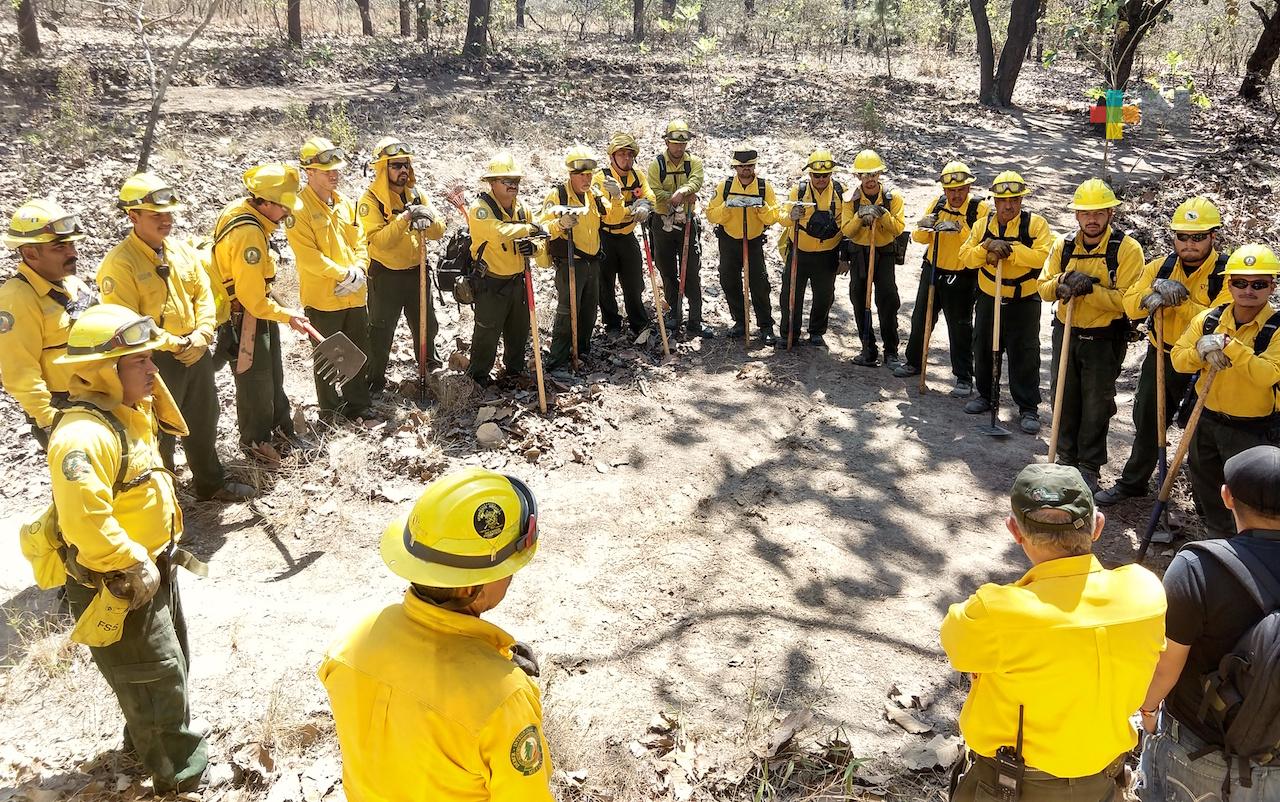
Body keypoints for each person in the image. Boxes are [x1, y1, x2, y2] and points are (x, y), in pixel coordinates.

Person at [319, 467, 554, 802]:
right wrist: (501, 679)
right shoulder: (504, 701)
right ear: (473, 586)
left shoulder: (349, 642)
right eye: (508, 570)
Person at [48, 303, 208, 794]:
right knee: (153, 676)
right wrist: (133, 562)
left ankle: (147, 744)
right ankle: (177, 777)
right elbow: (87, 521)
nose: (152, 369)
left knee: (168, 663)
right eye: (139, 362)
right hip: (122, 581)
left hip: (152, 568)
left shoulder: (126, 412)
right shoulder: (83, 436)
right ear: (102, 371)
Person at [941, 462, 1166, 802]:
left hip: (1012, 788)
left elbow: (957, 644)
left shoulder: (995, 611)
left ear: (1015, 532)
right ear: (1098, 527)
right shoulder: (1145, 590)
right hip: (1104, 785)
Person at [97, 173, 253, 502]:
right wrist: (176, 343)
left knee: (203, 418)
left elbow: (203, 296)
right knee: (158, 432)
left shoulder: (180, 251)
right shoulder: (119, 264)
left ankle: (210, 484)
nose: (166, 221)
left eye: (169, 214)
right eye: (156, 216)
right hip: (152, 359)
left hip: (195, 350)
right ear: (133, 216)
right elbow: (127, 322)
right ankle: (163, 501)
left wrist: (203, 334)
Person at [1138, 444, 1280, 801]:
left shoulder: (1197, 567)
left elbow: (1165, 668)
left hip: (1199, 753)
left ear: (1226, 496)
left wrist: (1148, 710)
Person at [1097, 197, 1231, 505]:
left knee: (1200, 431)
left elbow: (1222, 319)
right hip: (1163, 354)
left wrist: (1182, 303)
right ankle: (1134, 482)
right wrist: (1152, 291)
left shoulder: (1225, 273)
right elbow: (1129, 304)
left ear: (1213, 236)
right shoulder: (1161, 266)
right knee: (1148, 418)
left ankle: (1207, 502)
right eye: (1182, 236)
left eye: (1198, 237)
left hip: (1207, 361)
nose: (1189, 243)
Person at [1038, 179, 1145, 492]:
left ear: (1111, 213)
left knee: (1097, 402)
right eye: (1086, 213)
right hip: (1066, 331)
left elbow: (1129, 301)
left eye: (1099, 212)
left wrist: (1092, 289)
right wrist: (1063, 282)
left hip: (1104, 337)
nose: (1092, 219)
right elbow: (1043, 288)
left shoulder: (1126, 250)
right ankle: (1065, 459)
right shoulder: (1064, 245)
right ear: (1077, 216)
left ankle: (1089, 466)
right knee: (1064, 395)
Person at [1171, 243, 1280, 538]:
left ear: (1271, 286)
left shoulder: (1277, 329)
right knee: (1207, 489)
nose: (1248, 290)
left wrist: (1231, 347)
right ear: (1229, 284)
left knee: (1250, 500)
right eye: (1240, 283)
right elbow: (1178, 360)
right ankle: (1218, 542)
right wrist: (1200, 351)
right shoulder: (1209, 319)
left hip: (1253, 431)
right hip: (1205, 421)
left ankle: (1249, 551)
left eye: (1259, 284)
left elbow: (1268, 375)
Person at [211, 163, 313, 463]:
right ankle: (257, 446)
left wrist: (280, 308)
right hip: (246, 319)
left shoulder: (245, 210)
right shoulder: (249, 235)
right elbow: (252, 300)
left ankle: (282, 432)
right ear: (265, 202)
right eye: (283, 207)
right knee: (256, 383)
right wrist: (287, 315)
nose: (287, 213)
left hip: (258, 312)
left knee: (273, 376)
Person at [286, 136, 376, 423]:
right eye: (327, 171)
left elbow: (360, 240)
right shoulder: (297, 210)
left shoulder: (346, 204)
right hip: (324, 297)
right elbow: (308, 256)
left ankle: (358, 404)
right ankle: (330, 410)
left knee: (358, 351)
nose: (334, 174)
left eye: (337, 169)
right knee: (327, 355)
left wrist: (360, 269)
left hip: (355, 293)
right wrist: (343, 274)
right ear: (309, 172)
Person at [959, 170, 1055, 434]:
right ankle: (986, 396)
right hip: (990, 295)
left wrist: (1010, 251)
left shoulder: (1035, 225)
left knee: (1024, 353)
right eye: (1003, 200)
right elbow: (965, 257)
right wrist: (985, 249)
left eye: (1014, 199)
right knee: (984, 346)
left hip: (1024, 299)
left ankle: (1028, 407)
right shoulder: (982, 226)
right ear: (995, 201)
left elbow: (1043, 257)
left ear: (1022, 200)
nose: (1009, 205)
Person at [0, 199, 96, 449]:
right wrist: (51, 420)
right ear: (30, 253)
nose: (72, 252)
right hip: (65, 409)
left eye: (72, 244)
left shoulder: (73, 283)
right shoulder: (16, 299)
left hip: (99, 397)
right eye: (59, 247)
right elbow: (20, 372)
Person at [358, 136, 447, 394]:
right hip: (386, 277)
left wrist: (426, 219)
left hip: (416, 273)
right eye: (396, 165)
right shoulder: (370, 201)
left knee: (426, 325)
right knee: (380, 331)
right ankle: (373, 383)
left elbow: (439, 230)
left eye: (405, 165)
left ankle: (430, 373)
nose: (403, 171)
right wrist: (405, 218)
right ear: (382, 169)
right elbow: (378, 241)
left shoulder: (417, 194)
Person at [894, 162, 988, 398]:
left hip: (962, 275)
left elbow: (981, 243)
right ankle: (913, 362)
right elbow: (919, 237)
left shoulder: (979, 209)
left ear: (968, 188)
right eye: (951, 190)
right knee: (920, 318)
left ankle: (964, 376)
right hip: (933, 269)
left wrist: (959, 228)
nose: (956, 195)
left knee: (959, 327)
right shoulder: (938, 204)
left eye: (960, 189)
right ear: (945, 190)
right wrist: (926, 226)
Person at [539, 145, 625, 372]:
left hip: (593, 261)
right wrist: (559, 224)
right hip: (570, 261)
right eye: (582, 175)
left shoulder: (594, 195)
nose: (587, 179)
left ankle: (581, 350)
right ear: (571, 174)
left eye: (589, 174)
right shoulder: (557, 195)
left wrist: (617, 197)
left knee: (589, 309)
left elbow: (614, 217)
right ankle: (558, 358)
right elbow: (541, 228)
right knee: (568, 310)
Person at [466, 152, 544, 387]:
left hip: (518, 280)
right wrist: (528, 230)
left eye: (516, 181)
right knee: (487, 331)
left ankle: (514, 371)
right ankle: (478, 377)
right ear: (492, 183)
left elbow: (541, 239)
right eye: (507, 181)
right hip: (490, 282)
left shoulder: (523, 209)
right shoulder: (480, 208)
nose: (513, 186)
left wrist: (534, 247)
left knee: (519, 330)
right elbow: (497, 231)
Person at [705, 144, 781, 345]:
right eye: (741, 166)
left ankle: (765, 326)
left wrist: (760, 207)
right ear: (735, 167)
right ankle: (740, 322)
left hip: (754, 241)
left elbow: (774, 216)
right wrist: (727, 206)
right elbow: (711, 214)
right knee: (729, 281)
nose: (746, 169)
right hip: (729, 240)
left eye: (749, 166)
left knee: (759, 284)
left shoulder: (764, 187)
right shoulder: (725, 186)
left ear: (754, 166)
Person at [645, 119, 711, 339]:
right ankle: (674, 314)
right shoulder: (657, 165)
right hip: (662, 223)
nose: (679, 148)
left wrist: (682, 191)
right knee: (667, 270)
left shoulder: (694, 162)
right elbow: (652, 192)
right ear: (667, 142)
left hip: (688, 222)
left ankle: (695, 319)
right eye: (674, 143)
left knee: (691, 271)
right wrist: (673, 199)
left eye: (682, 144)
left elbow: (697, 180)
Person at [841, 149, 906, 367]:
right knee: (860, 301)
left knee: (887, 301)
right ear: (858, 176)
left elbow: (898, 228)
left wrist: (882, 214)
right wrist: (860, 216)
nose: (870, 179)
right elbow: (847, 231)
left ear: (880, 174)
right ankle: (867, 349)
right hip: (859, 254)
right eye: (865, 175)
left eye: (874, 174)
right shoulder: (850, 199)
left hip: (884, 253)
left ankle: (891, 351)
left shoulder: (892, 198)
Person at [777, 150, 845, 349]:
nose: (821, 179)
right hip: (800, 252)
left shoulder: (841, 192)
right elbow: (781, 217)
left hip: (828, 253)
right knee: (790, 294)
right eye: (817, 175)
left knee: (824, 295)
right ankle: (789, 333)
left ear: (831, 174)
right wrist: (792, 216)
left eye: (825, 175)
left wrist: (844, 256)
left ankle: (817, 332)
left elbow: (847, 224)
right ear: (810, 175)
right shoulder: (798, 191)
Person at [595, 132, 656, 337]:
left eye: (630, 155)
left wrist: (646, 205)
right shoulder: (601, 178)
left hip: (628, 235)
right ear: (612, 156)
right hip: (605, 236)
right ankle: (612, 323)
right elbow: (611, 216)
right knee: (605, 283)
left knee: (634, 281)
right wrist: (632, 208)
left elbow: (650, 197)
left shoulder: (638, 176)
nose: (626, 159)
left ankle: (639, 322)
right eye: (621, 155)